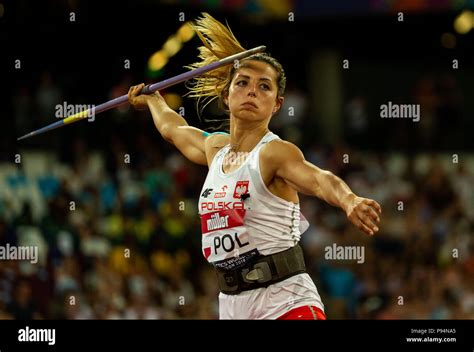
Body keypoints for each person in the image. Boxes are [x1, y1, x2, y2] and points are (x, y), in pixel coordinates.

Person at [128, 13, 382, 320]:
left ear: (277, 103)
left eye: (264, 87)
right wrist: (153, 101)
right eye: (243, 83)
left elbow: (319, 179)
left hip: (286, 301)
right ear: (226, 95)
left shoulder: (274, 153)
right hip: (233, 305)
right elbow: (174, 130)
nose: (252, 91)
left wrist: (349, 199)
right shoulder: (216, 150)